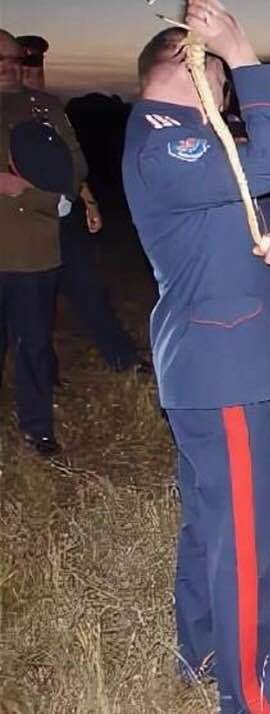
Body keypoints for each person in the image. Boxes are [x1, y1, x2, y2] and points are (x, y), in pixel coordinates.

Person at [121, 3, 270, 711]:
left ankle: (202, 653)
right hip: (220, 364)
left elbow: (257, 197)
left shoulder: (190, 143)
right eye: (222, 79)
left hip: (211, 364)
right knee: (245, 544)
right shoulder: (166, 143)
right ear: (189, 65)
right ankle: (253, 699)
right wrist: (242, 49)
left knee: (211, 525)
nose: (228, 93)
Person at [16, 34, 147, 377]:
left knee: (89, 291)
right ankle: (42, 374)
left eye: (37, 68)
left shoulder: (52, 110)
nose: (33, 76)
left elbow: (70, 164)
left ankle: (123, 360)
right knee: (32, 304)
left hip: (63, 218)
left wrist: (88, 200)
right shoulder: (7, 113)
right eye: (26, 68)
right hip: (25, 224)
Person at [0, 28, 87, 456]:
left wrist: (34, 194)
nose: (7, 67)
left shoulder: (45, 107)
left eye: (13, 59)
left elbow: (74, 169)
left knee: (33, 344)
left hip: (32, 249)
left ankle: (38, 428)